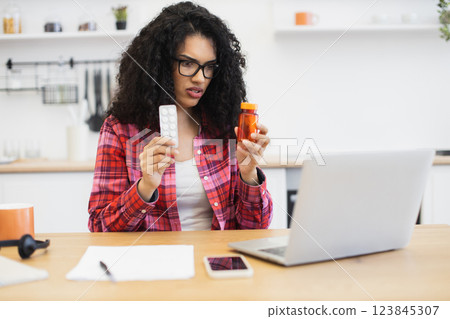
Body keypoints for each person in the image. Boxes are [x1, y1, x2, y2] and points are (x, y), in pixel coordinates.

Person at [88, 1, 273, 232]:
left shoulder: (226, 125)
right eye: (187, 64)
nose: (200, 78)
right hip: (156, 264)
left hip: (218, 263)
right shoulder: (119, 130)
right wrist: (145, 187)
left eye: (209, 67)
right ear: (161, 64)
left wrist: (249, 175)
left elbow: (256, 226)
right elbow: (99, 227)